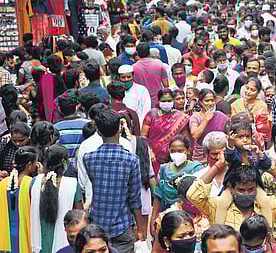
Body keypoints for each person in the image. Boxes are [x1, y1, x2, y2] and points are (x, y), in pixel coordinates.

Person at [82, 108, 145, 251]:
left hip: (97, 226)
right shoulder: (131, 160)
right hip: (122, 226)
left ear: (98, 131)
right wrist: (140, 228)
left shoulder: (89, 158)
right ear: (120, 127)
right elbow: (134, 199)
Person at [187, 155, 276, 231]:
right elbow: (193, 195)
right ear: (232, 189)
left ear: (257, 188)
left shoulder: (268, 205)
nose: (246, 194)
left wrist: (273, 169)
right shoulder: (216, 206)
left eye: (251, 189)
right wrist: (218, 166)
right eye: (241, 190)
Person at [31, 145, 83, 253]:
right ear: (64, 162)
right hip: (63, 242)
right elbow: (80, 214)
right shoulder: (72, 184)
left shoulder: (34, 182)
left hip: (38, 241)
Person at [151, 135, 202, 229]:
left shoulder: (196, 169)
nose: (176, 154)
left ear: (188, 151)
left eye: (180, 151)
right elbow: (158, 196)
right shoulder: (163, 169)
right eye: (173, 151)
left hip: (189, 219)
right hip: (167, 217)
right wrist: (153, 220)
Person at [152, 175, 210, 252]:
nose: (198, 202)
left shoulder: (208, 213)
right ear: (182, 198)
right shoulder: (167, 218)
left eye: (201, 198)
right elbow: (157, 250)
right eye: (181, 236)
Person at [142, 89, 191, 172]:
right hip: (153, 157)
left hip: (174, 157)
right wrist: (149, 151)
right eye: (164, 101)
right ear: (159, 101)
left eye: (169, 100)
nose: (167, 103)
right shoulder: (151, 115)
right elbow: (143, 136)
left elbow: (185, 139)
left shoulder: (181, 117)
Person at [0, 146, 38, 253]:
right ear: (30, 164)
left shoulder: (3, 183)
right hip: (25, 234)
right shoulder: (32, 183)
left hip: (5, 235)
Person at [189, 88, 228, 163]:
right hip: (201, 159)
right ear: (201, 102)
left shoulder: (220, 115)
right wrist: (206, 120)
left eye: (212, 100)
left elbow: (229, 131)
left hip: (219, 157)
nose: (210, 103)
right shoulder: (195, 117)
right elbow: (195, 135)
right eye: (207, 101)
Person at [54, 90, 90, 161]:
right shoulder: (88, 125)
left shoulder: (55, 128)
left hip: (64, 170)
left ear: (60, 110)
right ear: (76, 108)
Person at [132, 42, 170, 107]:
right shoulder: (159, 64)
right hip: (158, 100)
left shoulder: (133, 68)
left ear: (137, 53)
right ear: (149, 52)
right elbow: (166, 85)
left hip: (141, 102)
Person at [193, 131, 229, 197]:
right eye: (215, 154)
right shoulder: (197, 176)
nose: (219, 157)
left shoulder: (236, 173)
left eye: (224, 153)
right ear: (206, 154)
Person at [36, 56, 67, 122]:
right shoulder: (64, 77)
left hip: (46, 115)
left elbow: (38, 98)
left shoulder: (45, 79)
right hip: (62, 115)